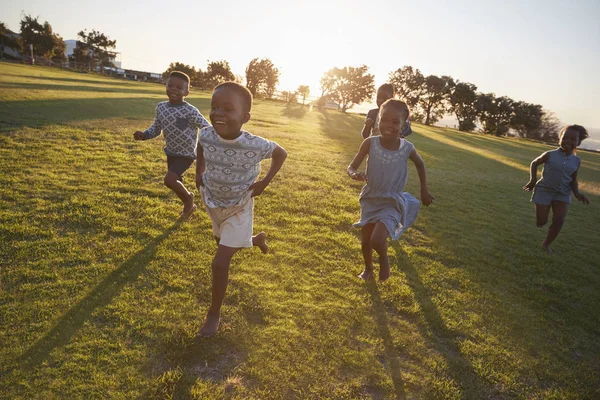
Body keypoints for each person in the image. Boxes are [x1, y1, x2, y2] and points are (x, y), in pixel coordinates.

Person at [196, 82, 287, 336]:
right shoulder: (206, 134)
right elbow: (201, 146)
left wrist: (264, 183)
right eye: (214, 107)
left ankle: (213, 315)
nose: (218, 114)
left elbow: (282, 153)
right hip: (213, 201)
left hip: (240, 206)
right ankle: (256, 240)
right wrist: (198, 171)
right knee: (221, 243)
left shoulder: (255, 144)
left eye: (228, 108)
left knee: (220, 261)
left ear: (245, 117)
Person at [348, 99, 434, 282]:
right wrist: (354, 173)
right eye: (384, 119)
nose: (389, 125)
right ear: (378, 119)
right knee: (365, 241)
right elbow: (351, 166)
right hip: (370, 198)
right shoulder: (370, 143)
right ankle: (368, 269)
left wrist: (424, 191)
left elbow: (420, 164)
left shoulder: (407, 148)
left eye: (395, 122)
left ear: (404, 126)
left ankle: (384, 259)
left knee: (377, 240)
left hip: (392, 201)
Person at [134, 71, 210, 218]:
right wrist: (144, 135)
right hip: (171, 152)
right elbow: (156, 128)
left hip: (186, 154)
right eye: (170, 85)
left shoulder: (190, 111)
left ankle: (189, 200)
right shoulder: (161, 107)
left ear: (186, 92)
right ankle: (188, 204)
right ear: (166, 86)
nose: (174, 89)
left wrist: (215, 141)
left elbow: (206, 127)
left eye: (179, 87)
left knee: (169, 180)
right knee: (175, 183)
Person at [523, 125, 590, 254]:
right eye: (565, 138)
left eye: (573, 139)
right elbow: (534, 163)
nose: (568, 141)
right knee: (541, 222)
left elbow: (573, 178)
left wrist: (577, 193)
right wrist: (532, 180)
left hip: (563, 193)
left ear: (578, 142)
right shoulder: (550, 154)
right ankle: (542, 219)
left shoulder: (576, 160)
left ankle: (546, 245)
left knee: (559, 221)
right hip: (545, 190)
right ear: (560, 138)